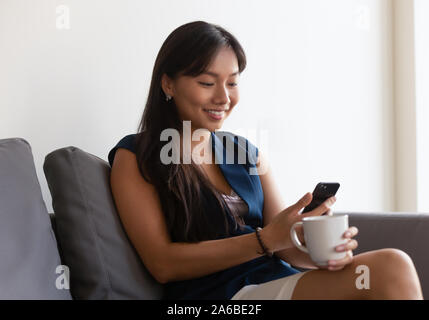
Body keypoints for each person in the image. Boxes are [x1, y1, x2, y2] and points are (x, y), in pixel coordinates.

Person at [108, 21, 423, 300]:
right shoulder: (138, 156)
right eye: (207, 83)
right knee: (390, 267)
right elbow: (162, 264)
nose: (224, 97)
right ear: (168, 84)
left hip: (274, 280)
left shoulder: (246, 153)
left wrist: (322, 253)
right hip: (219, 294)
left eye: (232, 82)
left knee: (381, 272)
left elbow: (284, 246)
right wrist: (263, 240)